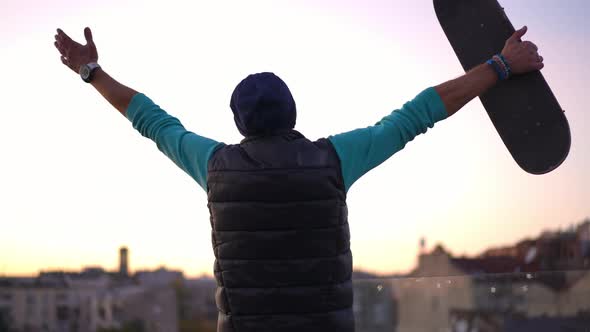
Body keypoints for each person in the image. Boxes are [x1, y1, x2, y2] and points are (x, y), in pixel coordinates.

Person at [54, 26, 544, 332]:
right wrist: (500, 66)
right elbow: (419, 113)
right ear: (292, 113)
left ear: (239, 122)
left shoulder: (214, 166)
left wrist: (90, 70)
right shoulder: (334, 159)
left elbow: (152, 121)